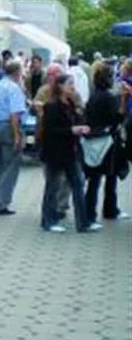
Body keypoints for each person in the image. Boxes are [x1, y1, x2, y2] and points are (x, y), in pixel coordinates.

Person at [40, 75, 102, 234]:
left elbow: (77, 120)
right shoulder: (52, 106)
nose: (72, 87)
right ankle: (48, 221)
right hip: (55, 152)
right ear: (60, 86)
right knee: (52, 187)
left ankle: (83, 223)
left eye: (73, 83)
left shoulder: (71, 103)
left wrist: (82, 126)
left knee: (78, 184)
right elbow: (50, 131)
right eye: (69, 84)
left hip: (71, 151)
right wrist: (71, 130)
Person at [83, 65, 130, 222]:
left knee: (94, 178)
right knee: (110, 176)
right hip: (109, 141)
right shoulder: (109, 98)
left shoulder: (93, 96)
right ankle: (109, 210)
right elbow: (118, 117)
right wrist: (123, 99)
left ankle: (89, 212)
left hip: (94, 139)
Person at [0, 60, 27, 215]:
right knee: (10, 165)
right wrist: (17, 135)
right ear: (17, 73)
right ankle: (3, 203)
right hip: (7, 126)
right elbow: (14, 114)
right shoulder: (14, 88)